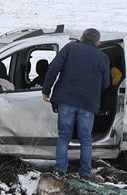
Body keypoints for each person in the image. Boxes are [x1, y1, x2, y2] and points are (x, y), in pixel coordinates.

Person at [41, 28, 110, 180]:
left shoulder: (70, 48)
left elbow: (53, 68)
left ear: (81, 37)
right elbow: (106, 84)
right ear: (98, 42)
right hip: (88, 104)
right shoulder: (103, 57)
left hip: (66, 101)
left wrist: (47, 90)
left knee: (64, 136)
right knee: (86, 139)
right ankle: (85, 173)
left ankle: (60, 170)